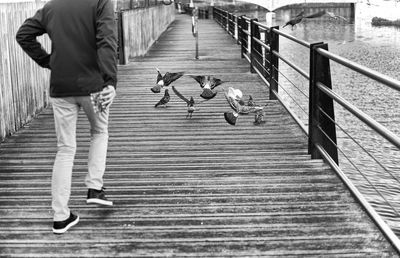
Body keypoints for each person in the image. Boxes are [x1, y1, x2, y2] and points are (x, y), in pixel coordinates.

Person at [16, 0, 118, 234]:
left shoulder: (52, 6)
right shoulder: (101, 2)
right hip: (94, 87)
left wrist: (47, 61)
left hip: (61, 88)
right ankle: (94, 187)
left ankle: (61, 216)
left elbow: (23, 34)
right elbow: (107, 41)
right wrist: (110, 80)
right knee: (99, 132)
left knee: (65, 148)